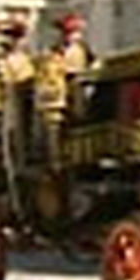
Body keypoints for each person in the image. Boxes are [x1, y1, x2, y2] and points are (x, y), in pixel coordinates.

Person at [35, 13, 94, 171]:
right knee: (53, 125)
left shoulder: (83, 51)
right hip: (58, 100)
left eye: (75, 33)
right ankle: (56, 161)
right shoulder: (52, 55)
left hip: (80, 95)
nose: (72, 37)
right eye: (69, 33)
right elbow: (47, 80)